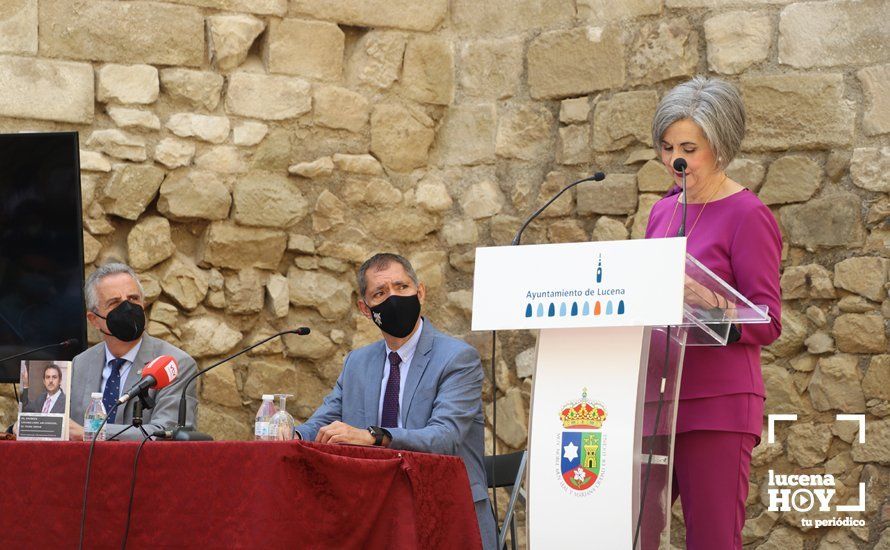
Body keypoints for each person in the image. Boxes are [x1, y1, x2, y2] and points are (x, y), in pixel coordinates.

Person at [644, 76, 783, 549]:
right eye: (666, 147)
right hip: (654, 403)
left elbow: (767, 320)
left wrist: (705, 299)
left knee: (711, 540)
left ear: (720, 146)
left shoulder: (748, 215)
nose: (674, 160)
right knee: (629, 534)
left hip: (716, 407)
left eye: (689, 147)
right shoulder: (661, 213)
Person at [294, 253, 496, 549]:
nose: (393, 298)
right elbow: (326, 420)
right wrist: (293, 433)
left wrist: (374, 437)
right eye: (380, 293)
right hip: (377, 513)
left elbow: (445, 438)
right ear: (366, 309)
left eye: (401, 287)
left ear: (420, 292)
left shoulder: (456, 358)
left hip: (447, 513)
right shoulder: (357, 363)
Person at [68, 262, 198, 441]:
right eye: (115, 303)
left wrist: (91, 433)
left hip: (143, 467)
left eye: (133, 299)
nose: (128, 309)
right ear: (94, 320)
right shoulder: (80, 364)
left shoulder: (175, 364)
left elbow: (167, 432)